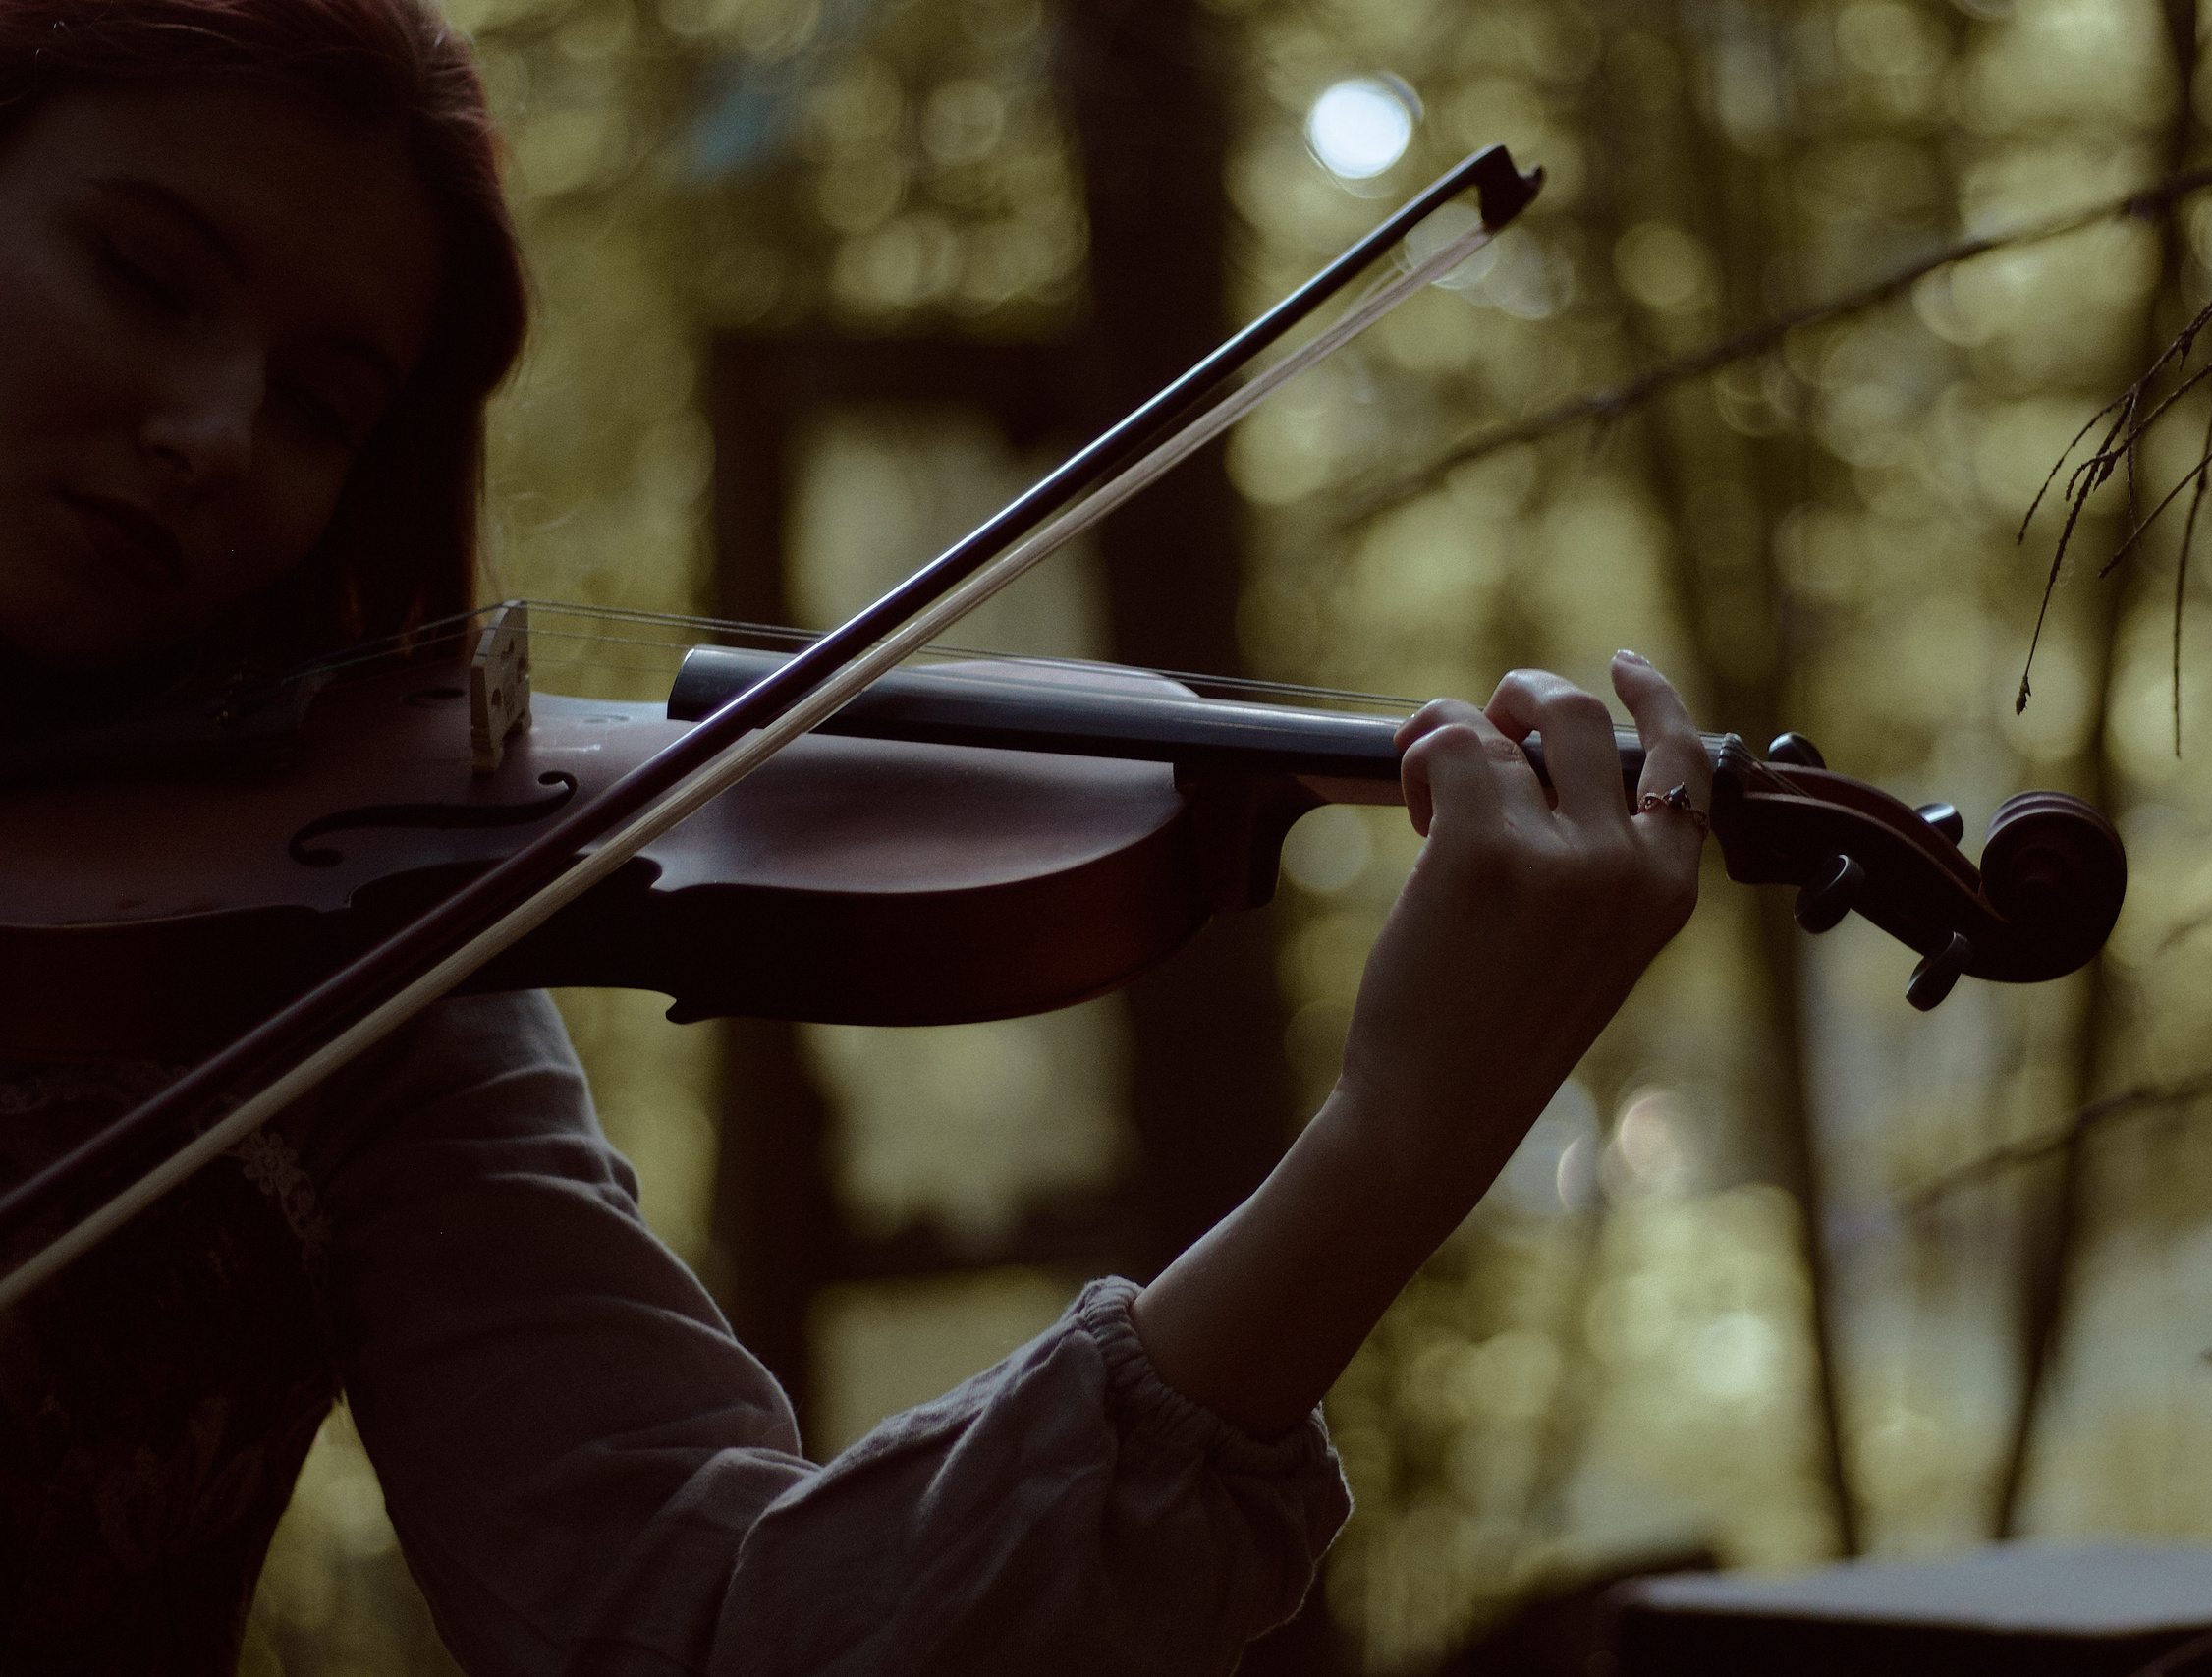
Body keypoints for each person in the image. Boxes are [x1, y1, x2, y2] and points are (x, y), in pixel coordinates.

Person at [0, 1, 1715, 1670]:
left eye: (323, 406)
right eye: (145, 279)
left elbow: (722, 1630)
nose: (213, 436)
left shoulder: (359, 972)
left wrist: (1391, 1143)